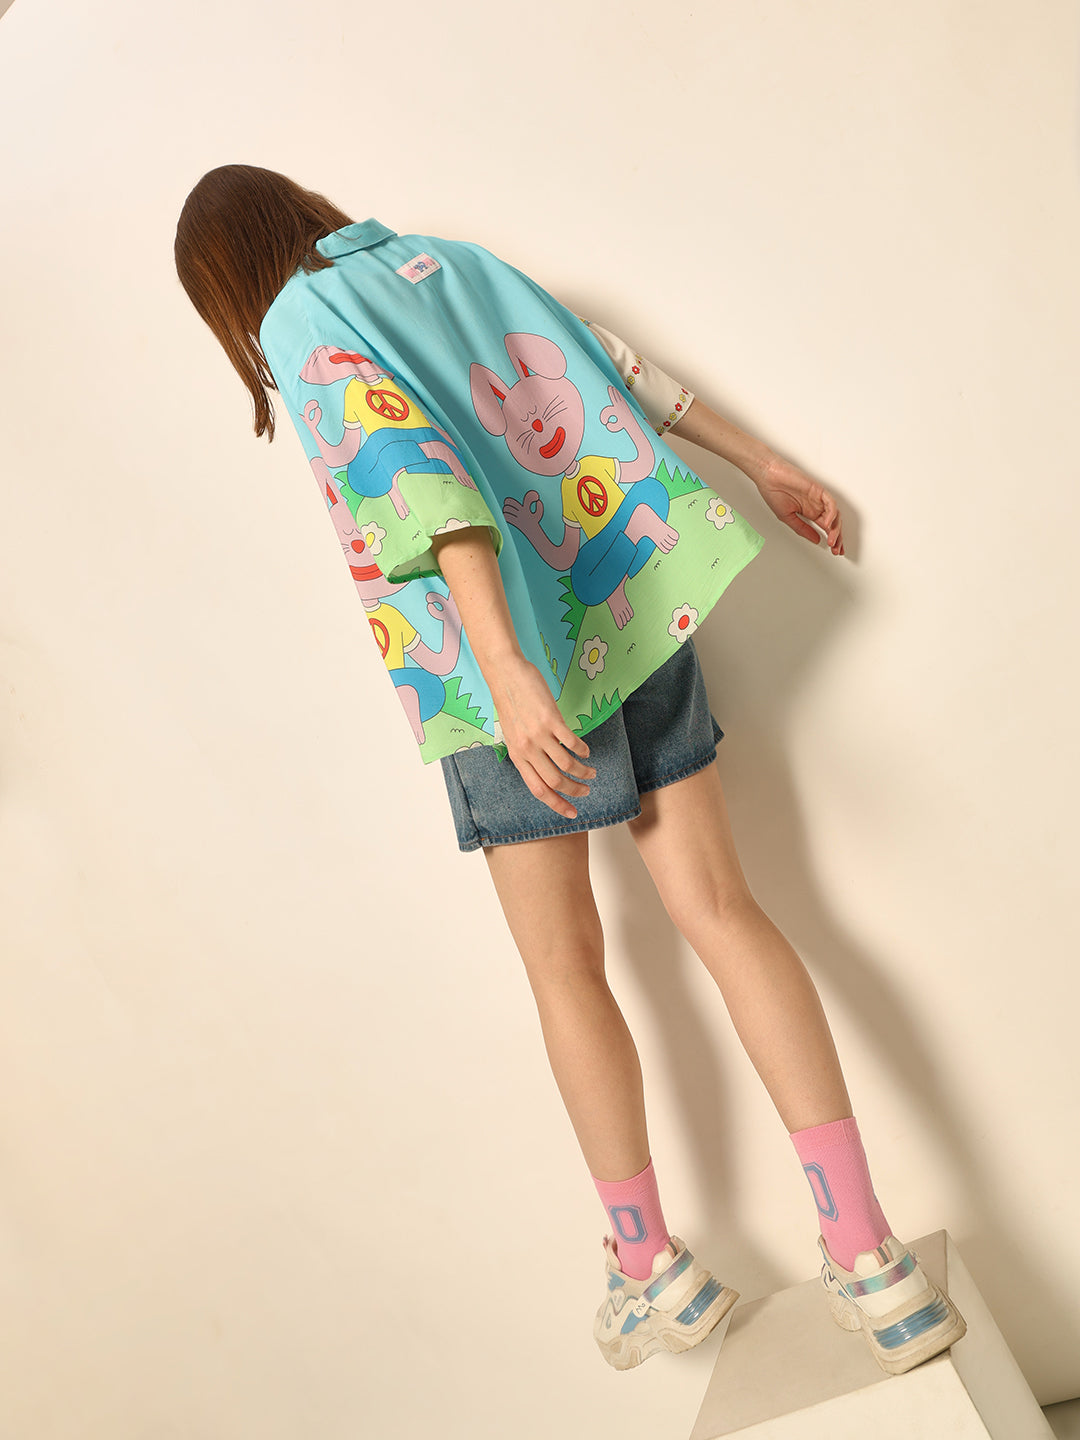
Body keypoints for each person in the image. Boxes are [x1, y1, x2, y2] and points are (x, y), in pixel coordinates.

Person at [174, 164, 966, 1376]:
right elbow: (603, 366)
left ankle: (650, 1269)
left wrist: (503, 668)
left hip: (498, 678)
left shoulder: (298, 321)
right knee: (723, 912)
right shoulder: (446, 262)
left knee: (564, 966)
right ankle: (872, 1260)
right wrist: (761, 460)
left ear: (226, 285)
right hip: (628, 612)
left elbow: (417, 483)